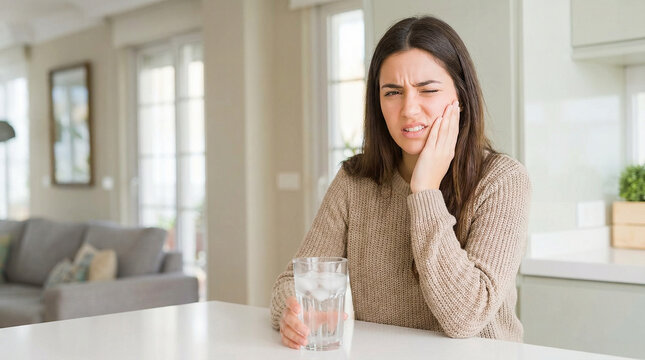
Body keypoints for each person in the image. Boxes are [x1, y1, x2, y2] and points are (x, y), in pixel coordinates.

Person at [270, 15, 531, 349]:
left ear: (461, 98)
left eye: (428, 90)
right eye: (392, 92)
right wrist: (292, 313)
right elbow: (292, 282)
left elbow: (466, 318)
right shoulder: (354, 181)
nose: (409, 109)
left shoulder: (502, 180)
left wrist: (424, 192)